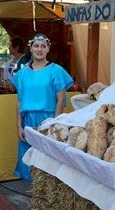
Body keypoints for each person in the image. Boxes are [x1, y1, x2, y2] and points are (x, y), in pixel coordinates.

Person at [12, 33, 73, 181]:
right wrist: (19, 126)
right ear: (31, 48)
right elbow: (19, 102)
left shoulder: (56, 71)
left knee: (48, 160)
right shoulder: (22, 74)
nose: (39, 49)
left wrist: (54, 125)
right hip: (28, 121)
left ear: (48, 49)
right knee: (29, 160)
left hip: (48, 119)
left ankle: (47, 198)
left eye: (43, 46)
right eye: (36, 46)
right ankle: (34, 196)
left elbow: (60, 101)